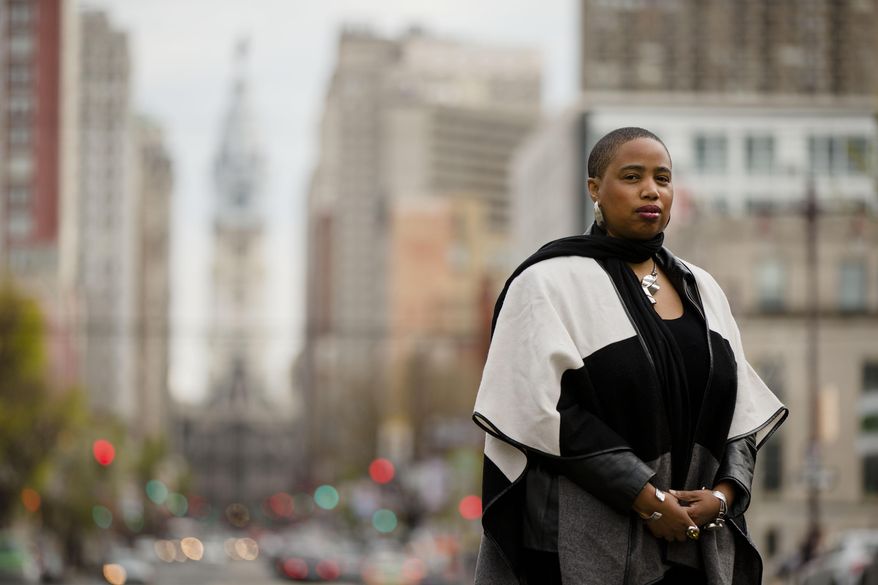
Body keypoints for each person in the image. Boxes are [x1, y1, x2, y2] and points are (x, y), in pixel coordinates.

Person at [472, 127, 787, 585]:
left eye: (663, 178)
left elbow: (740, 409)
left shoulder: (703, 290)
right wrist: (647, 497)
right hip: (577, 548)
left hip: (693, 544)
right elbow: (544, 413)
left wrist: (722, 496)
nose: (651, 190)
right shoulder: (546, 283)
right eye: (632, 176)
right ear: (594, 188)